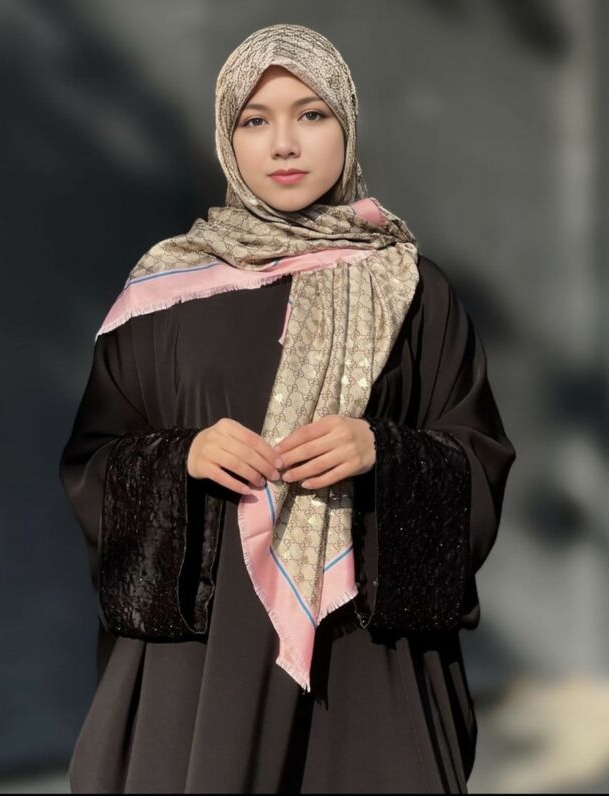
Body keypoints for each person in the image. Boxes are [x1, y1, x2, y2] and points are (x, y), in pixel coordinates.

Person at [59, 22, 515, 794]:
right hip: (203, 663)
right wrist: (182, 457)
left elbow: (478, 459)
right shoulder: (162, 297)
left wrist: (384, 453)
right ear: (226, 137)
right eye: (255, 120)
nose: (284, 144)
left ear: (347, 123)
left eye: (311, 114)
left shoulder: (412, 289)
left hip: (366, 657)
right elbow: (91, 465)